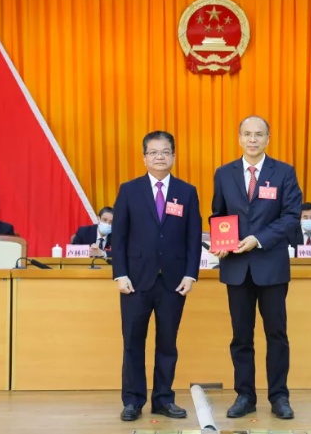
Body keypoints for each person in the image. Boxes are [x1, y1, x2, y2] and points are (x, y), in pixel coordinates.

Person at [211, 115, 302, 420]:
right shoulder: (223, 173)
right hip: (236, 267)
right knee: (241, 336)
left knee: (276, 334)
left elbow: (291, 216)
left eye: (259, 134)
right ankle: (245, 396)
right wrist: (221, 243)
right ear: (239, 138)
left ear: (267, 139)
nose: (253, 139)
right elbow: (219, 215)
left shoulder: (284, 172)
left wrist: (258, 239)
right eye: (247, 134)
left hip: (271, 266)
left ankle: (279, 396)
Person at [112, 131, 202, 422]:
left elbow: (193, 237)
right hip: (135, 281)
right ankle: (132, 401)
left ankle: (163, 399)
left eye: (165, 152)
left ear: (173, 156)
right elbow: (119, 236)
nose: (159, 157)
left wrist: (191, 274)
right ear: (144, 157)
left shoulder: (187, 192)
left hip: (173, 282)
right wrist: (120, 274)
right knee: (132, 343)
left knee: (167, 344)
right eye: (153, 152)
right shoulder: (129, 190)